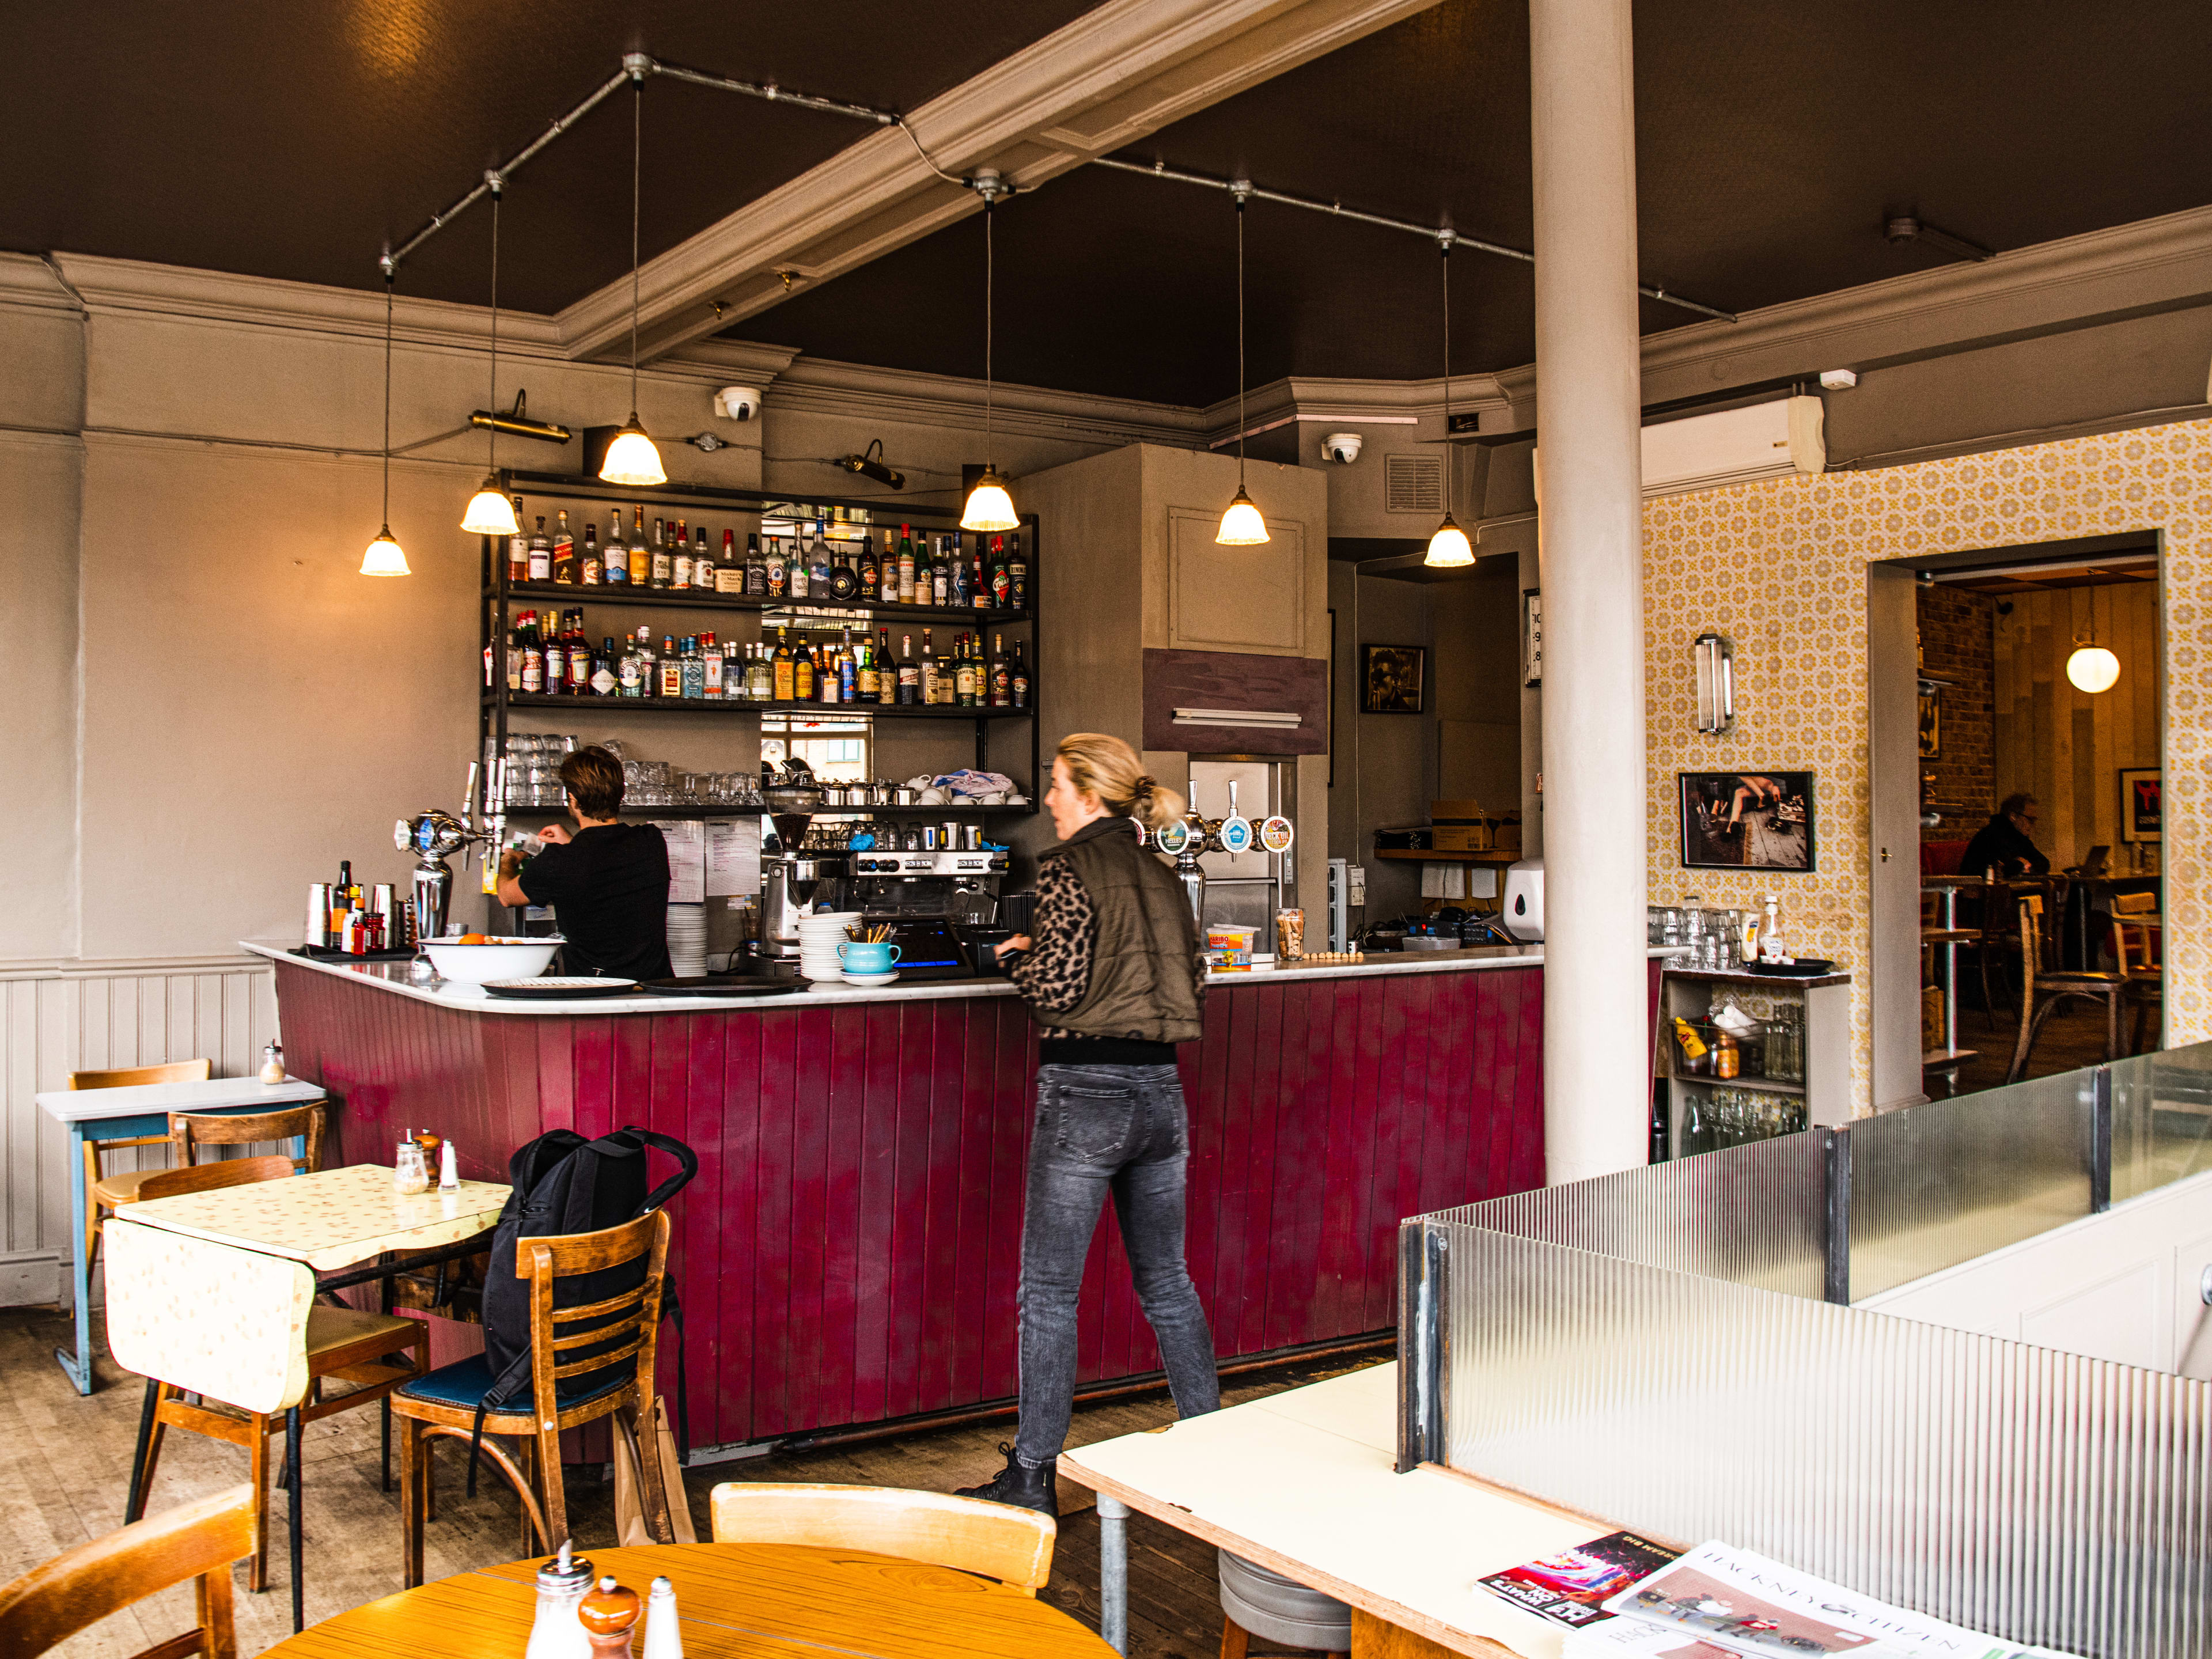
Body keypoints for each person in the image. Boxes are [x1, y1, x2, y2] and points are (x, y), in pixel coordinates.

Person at [955, 733, 1218, 1515]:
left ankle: (1033, 1474)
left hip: (1086, 1095)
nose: (1049, 800)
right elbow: (1188, 975)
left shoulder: (1068, 869)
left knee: (1049, 1295)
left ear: (1090, 796)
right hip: (1162, 1094)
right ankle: (1218, 1449)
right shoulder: (1164, 877)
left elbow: (1060, 990)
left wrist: (1012, 955)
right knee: (1167, 1281)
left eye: (1059, 786)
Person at [495, 745, 672, 979]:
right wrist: (571, 842)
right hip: (656, 989)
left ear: (574, 799)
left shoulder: (559, 861)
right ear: (621, 793)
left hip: (597, 992)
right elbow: (603, 863)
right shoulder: (651, 840)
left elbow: (507, 896)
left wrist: (507, 861)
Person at [1960, 793, 2050, 880]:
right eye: (2030, 820)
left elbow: (2044, 864)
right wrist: (2020, 864)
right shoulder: (1991, 835)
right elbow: (2002, 870)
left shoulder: (2020, 838)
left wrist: (2026, 867)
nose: (2032, 825)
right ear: (2013, 816)